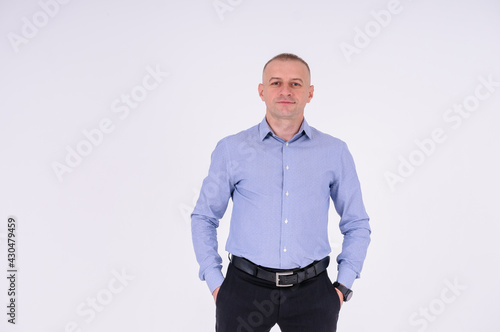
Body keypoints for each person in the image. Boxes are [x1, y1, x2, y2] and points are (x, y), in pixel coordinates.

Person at [191, 53, 371, 332]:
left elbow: (357, 223)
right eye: (276, 82)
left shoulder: (334, 152)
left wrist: (342, 287)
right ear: (262, 91)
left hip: (313, 294)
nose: (286, 90)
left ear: (310, 93)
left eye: (296, 84)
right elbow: (204, 217)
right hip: (243, 290)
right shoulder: (232, 150)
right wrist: (216, 284)